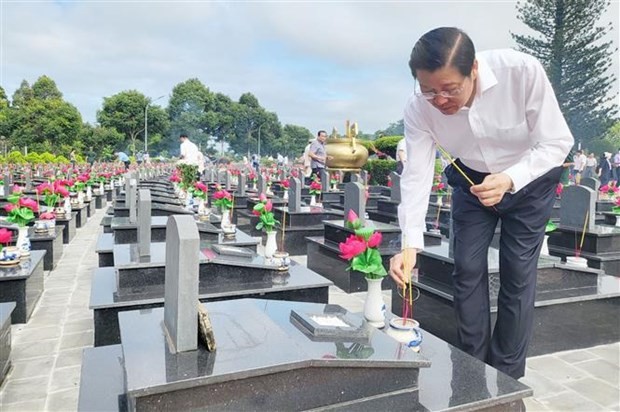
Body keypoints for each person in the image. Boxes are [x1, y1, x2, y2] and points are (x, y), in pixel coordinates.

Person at [389, 27, 573, 380]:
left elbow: (556, 141)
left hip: (529, 180)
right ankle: (472, 368)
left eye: (450, 89)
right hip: (471, 184)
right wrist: (410, 244)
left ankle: (506, 375)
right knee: (466, 269)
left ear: (473, 69)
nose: (440, 101)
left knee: (517, 274)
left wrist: (510, 179)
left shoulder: (521, 72)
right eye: (429, 90)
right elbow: (416, 174)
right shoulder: (418, 110)